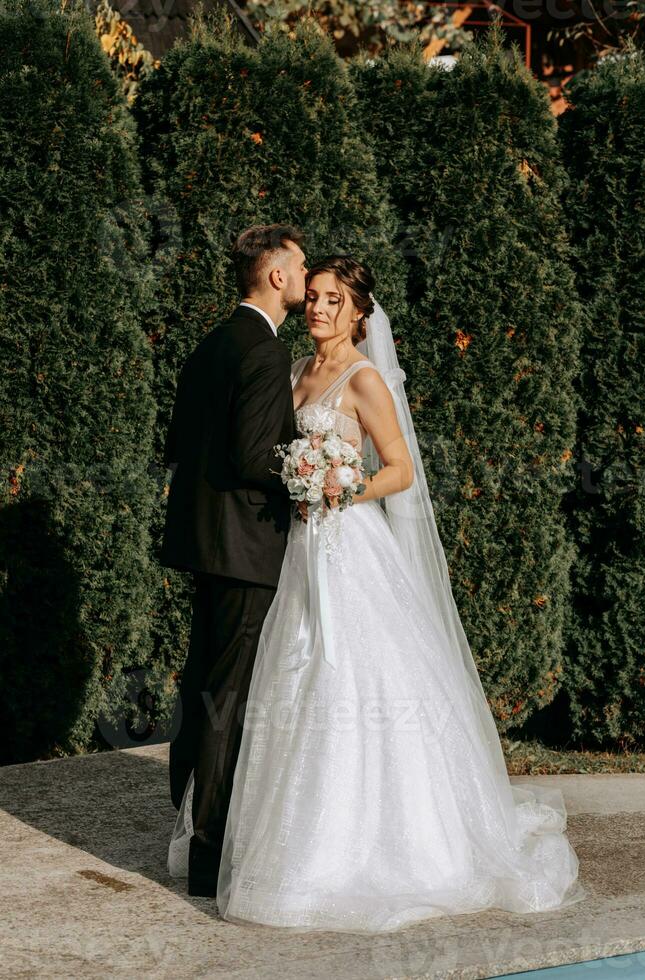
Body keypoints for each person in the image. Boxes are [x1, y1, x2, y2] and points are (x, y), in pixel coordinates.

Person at [168, 255, 587, 931]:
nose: (319, 309)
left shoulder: (364, 380)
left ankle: (380, 846)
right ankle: (265, 844)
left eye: (334, 301)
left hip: (349, 545)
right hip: (296, 551)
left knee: (355, 680)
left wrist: (343, 487)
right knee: (285, 681)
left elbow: (398, 469)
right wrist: (300, 480)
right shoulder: (296, 371)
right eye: (316, 298)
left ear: (359, 312)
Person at [159, 223, 307, 896]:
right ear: (275, 276)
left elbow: (181, 441)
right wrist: (309, 471)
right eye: (300, 266)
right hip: (246, 546)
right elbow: (255, 457)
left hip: (202, 540)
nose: (306, 278)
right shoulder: (267, 352)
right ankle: (209, 859)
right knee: (228, 698)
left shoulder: (214, 342)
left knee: (201, 683)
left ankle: (183, 825)